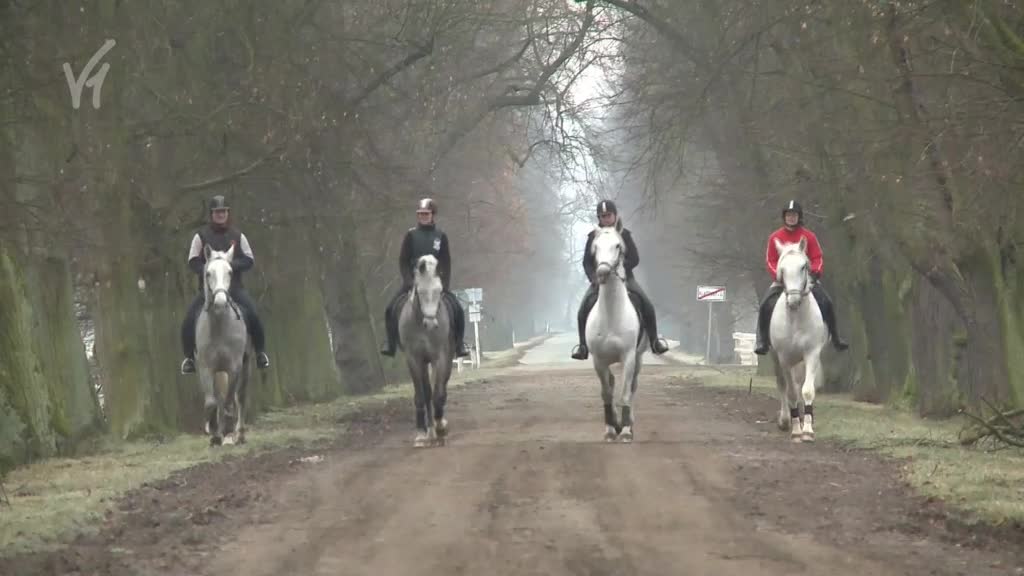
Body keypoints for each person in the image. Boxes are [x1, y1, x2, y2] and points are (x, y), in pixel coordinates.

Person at [180, 195, 271, 374]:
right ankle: (189, 358)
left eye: (223, 212)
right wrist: (209, 269)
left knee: (253, 314)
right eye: (217, 212)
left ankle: (260, 353)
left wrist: (229, 266)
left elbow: (249, 259)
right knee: (189, 319)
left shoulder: (238, 236)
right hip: (208, 290)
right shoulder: (201, 236)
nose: (221, 215)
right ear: (211, 214)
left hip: (234, 288)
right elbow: (192, 261)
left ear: (228, 213)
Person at [571, 200, 670, 360]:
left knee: (647, 305)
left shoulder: (624, 235)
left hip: (624, 279)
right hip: (600, 280)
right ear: (599, 218)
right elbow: (587, 262)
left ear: (615, 215)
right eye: (602, 216)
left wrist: (621, 269)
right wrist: (593, 277)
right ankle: (582, 346)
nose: (606, 219)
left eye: (608, 215)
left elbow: (635, 258)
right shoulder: (593, 236)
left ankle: (654, 341)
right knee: (582, 310)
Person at [753, 200, 849, 355]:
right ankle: (762, 341)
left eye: (794, 215)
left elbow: (817, 256)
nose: (791, 218)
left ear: (799, 217)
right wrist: (778, 275)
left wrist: (816, 271)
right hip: (782, 281)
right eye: (788, 215)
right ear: (784, 217)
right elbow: (770, 260)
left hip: (806, 280)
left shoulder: (809, 236)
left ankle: (836, 337)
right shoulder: (775, 237)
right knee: (765, 304)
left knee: (827, 301)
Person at [380, 198, 471, 358]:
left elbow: (446, 261)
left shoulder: (441, 236)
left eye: (426, 214)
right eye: (420, 214)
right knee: (390, 309)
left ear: (432, 215)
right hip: (414, 281)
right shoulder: (411, 235)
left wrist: (445, 284)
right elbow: (403, 260)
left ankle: (459, 344)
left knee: (458, 309)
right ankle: (391, 343)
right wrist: (409, 281)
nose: (423, 216)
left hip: (435, 283)